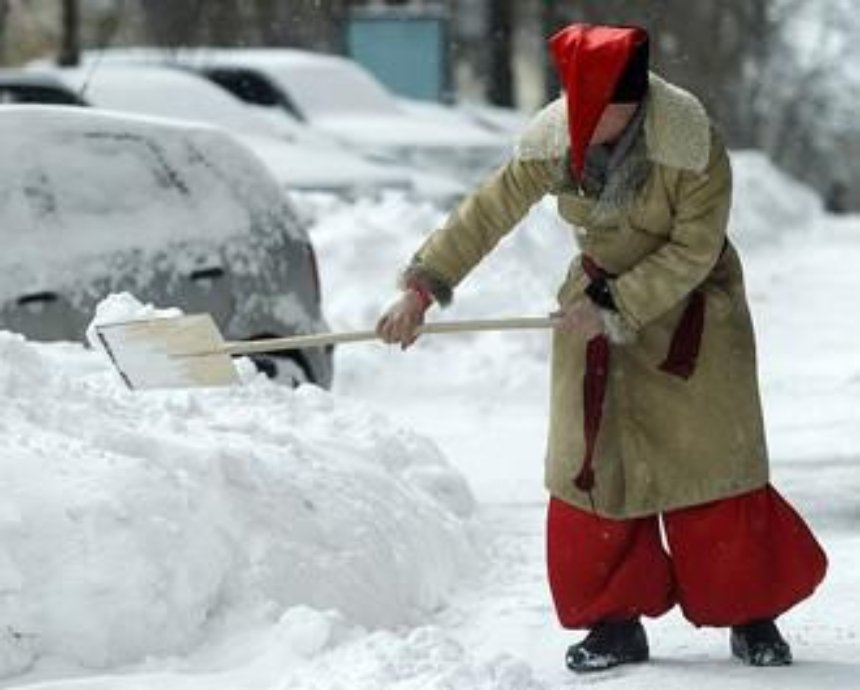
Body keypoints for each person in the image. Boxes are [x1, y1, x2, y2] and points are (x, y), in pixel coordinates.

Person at [376, 23, 827, 673]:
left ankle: (750, 612)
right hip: (595, 315)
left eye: (603, 110)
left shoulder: (691, 143)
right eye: (579, 108)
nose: (587, 123)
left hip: (692, 316)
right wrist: (421, 289)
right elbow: (486, 210)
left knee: (713, 472)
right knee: (592, 470)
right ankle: (614, 622)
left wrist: (614, 306)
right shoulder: (559, 134)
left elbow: (695, 249)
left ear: (636, 98)